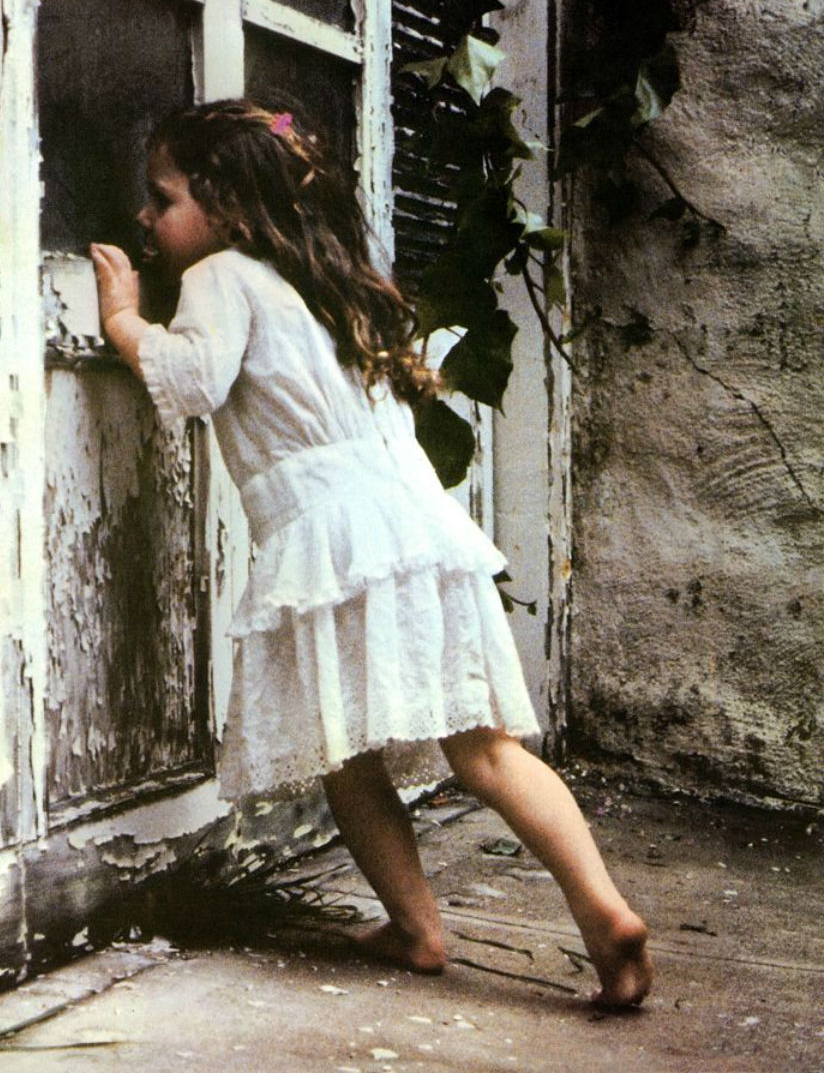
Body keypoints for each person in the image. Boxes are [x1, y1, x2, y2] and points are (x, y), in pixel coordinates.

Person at [91, 99, 652, 1008]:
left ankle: (418, 928)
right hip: (417, 529)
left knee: (346, 752)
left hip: (335, 541)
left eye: (163, 199)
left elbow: (192, 382)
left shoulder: (221, 276)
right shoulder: (326, 285)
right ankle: (602, 908)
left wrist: (124, 319)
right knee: (486, 748)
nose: (145, 218)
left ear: (226, 207)